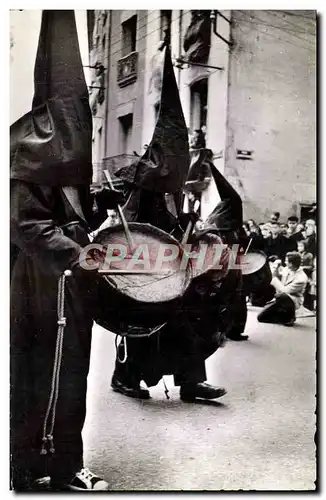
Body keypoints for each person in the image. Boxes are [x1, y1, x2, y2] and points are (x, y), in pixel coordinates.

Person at [10, 10, 124, 491]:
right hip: (41, 288)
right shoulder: (28, 157)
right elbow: (29, 225)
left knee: (69, 371)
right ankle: (42, 464)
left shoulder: (69, 167)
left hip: (68, 288)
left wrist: (101, 208)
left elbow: (72, 218)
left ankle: (54, 458)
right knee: (43, 371)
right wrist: (76, 253)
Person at [257, 252, 308, 326]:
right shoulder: (287, 269)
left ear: (291, 263)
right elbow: (277, 275)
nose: (285, 262)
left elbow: (285, 291)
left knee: (282, 296)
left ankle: (290, 316)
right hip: (280, 297)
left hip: (293, 299)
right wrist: (276, 268)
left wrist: (274, 280)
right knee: (261, 317)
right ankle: (283, 316)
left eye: (287, 261)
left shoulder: (301, 278)